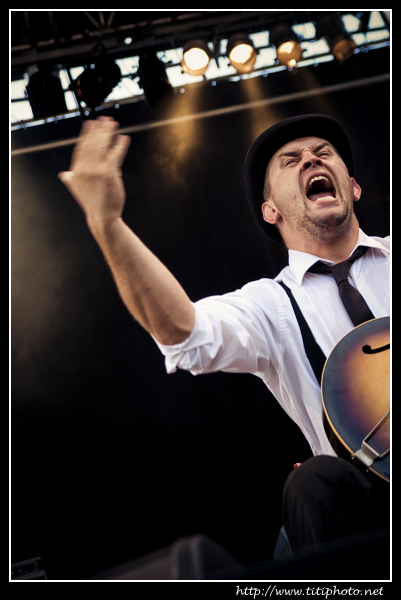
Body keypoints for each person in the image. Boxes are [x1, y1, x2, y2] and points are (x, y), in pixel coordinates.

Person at [59, 113, 390, 557]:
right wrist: (108, 223)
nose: (311, 160)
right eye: (291, 160)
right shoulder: (269, 305)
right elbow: (183, 334)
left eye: (323, 153)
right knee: (312, 483)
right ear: (271, 210)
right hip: (371, 504)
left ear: (352, 187)